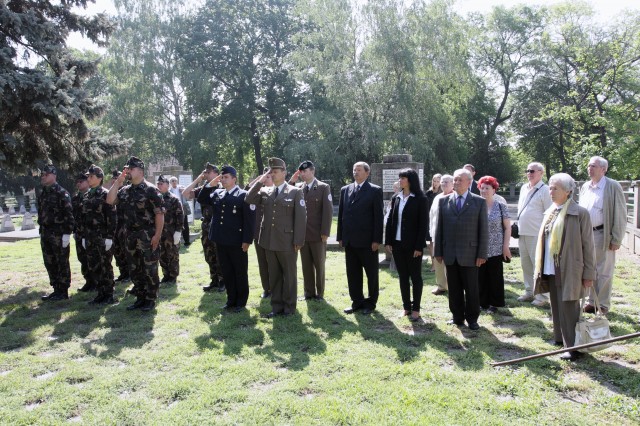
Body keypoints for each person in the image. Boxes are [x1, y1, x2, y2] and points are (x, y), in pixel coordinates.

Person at [534, 173, 595, 361]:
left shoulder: (580, 213)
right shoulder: (551, 211)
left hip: (570, 268)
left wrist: (589, 273)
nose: (551, 192)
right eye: (550, 188)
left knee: (569, 307)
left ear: (568, 191)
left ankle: (574, 347)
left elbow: (588, 246)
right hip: (551, 267)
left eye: (555, 188)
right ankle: (560, 338)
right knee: (556, 304)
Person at [246, 157, 307, 318]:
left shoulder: (295, 191)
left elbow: (301, 218)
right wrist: (260, 181)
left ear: (284, 173)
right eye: (270, 172)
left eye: (275, 171)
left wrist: (298, 240)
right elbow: (248, 198)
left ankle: (289, 307)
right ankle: (276, 306)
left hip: (287, 241)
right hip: (269, 241)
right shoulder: (265, 191)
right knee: (274, 276)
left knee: (289, 275)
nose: (272, 174)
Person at [106, 156, 165, 312]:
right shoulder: (125, 190)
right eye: (126, 169)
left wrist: (157, 236)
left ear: (140, 171)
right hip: (129, 237)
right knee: (134, 269)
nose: (127, 172)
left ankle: (150, 299)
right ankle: (140, 297)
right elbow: (110, 200)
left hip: (147, 236)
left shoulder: (151, 190)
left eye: (131, 169)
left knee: (150, 269)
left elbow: (159, 214)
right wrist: (118, 183)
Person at [435, 168, 488, 330]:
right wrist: (438, 251)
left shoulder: (479, 202)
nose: (456, 182)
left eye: (460, 180)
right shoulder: (444, 201)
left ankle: (472, 319)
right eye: (455, 180)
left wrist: (482, 254)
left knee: (471, 288)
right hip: (450, 253)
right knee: (454, 288)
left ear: (469, 182)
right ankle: (457, 317)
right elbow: (439, 228)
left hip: (470, 254)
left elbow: (483, 230)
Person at [579, 156, 626, 315]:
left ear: (603, 169)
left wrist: (616, 238)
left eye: (593, 166)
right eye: (589, 165)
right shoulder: (585, 186)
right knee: (588, 268)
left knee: (604, 271)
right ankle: (591, 302)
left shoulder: (612, 186)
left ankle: (603, 304)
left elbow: (620, 213)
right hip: (585, 234)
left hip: (602, 234)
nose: (589, 168)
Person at [206, 166, 255, 312]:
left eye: (226, 177)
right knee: (226, 271)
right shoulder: (218, 193)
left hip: (237, 241)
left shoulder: (244, 195)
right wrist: (210, 184)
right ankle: (231, 299)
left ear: (234, 179)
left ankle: (241, 301)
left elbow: (249, 221)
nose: (223, 179)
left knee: (239, 271)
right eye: (222, 177)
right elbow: (202, 199)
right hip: (221, 240)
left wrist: (247, 240)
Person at [337, 161, 384, 315]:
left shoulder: (374, 191)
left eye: (359, 170)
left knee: (371, 274)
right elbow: (342, 214)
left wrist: (376, 240)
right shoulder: (345, 190)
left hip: (367, 241)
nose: (355, 172)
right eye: (354, 170)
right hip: (350, 241)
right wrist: (340, 236)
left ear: (367, 173)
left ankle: (370, 303)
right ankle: (356, 301)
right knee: (353, 273)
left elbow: (378, 217)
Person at [384, 169, 428, 321]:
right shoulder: (396, 197)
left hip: (413, 246)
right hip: (397, 244)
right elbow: (390, 220)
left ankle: (416, 309)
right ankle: (406, 307)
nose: (400, 181)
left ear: (410, 180)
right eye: (400, 178)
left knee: (415, 277)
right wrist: (388, 241)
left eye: (403, 178)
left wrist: (419, 246)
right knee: (403, 276)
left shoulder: (421, 199)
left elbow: (423, 224)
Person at [289, 161, 333, 301]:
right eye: (301, 172)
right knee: (306, 265)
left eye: (305, 171)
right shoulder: (297, 188)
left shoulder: (323, 187)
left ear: (312, 171)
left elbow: (328, 211)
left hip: (318, 234)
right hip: (302, 235)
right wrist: (292, 181)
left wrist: (325, 232)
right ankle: (309, 293)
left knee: (319, 265)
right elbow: (285, 194)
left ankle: (320, 293)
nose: (302, 174)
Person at [182, 163, 225, 292]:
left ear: (216, 174)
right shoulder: (203, 189)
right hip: (206, 226)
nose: (206, 174)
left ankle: (223, 281)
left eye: (208, 172)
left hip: (219, 226)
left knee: (220, 254)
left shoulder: (223, 188)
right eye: (205, 172)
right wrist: (198, 179)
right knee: (209, 254)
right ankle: (214, 280)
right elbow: (185, 194)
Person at [516, 162, 552, 306]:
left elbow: (550, 213)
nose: (529, 173)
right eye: (527, 170)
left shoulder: (545, 190)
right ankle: (529, 291)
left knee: (538, 266)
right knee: (526, 265)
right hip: (522, 232)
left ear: (541, 173)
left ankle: (542, 297)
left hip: (537, 234)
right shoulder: (524, 187)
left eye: (532, 171)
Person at [37, 164, 74, 301]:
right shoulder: (43, 193)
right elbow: (41, 213)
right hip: (46, 233)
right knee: (49, 262)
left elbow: (69, 214)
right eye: (42, 175)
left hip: (59, 234)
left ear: (53, 175)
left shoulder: (61, 193)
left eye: (46, 175)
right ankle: (56, 289)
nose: (43, 177)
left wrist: (67, 233)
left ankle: (63, 291)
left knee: (61, 262)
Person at [82, 165, 117, 305]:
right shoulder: (87, 195)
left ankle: (108, 294)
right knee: (94, 266)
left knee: (105, 266)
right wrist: (84, 236)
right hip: (90, 237)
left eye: (91, 176)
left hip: (102, 236)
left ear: (100, 178)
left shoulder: (105, 194)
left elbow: (112, 217)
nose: (88, 179)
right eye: (88, 177)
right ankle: (100, 293)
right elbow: (84, 217)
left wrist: (110, 237)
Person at [477, 175, 511, 313]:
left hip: (496, 247)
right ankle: (482, 302)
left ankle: (494, 303)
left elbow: (507, 228)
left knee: (495, 276)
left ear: (494, 190)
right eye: (482, 188)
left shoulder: (501, 206)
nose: (484, 191)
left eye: (487, 188)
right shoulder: (476, 205)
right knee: (480, 276)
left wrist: (505, 246)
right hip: (479, 247)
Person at [246, 169, 273, 298]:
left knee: (273, 263)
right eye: (264, 176)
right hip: (259, 234)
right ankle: (266, 289)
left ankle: (276, 288)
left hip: (273, 234)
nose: (265, 179)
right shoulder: (259, 193)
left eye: (268, 176)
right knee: (262, 263)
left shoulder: (279, 191)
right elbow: (247, 193)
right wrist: (259, 180)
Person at [157, 175, 184, 285]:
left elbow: (180, 215)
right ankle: (166, 275)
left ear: (167, 185)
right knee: (162, 255)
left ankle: (173, 276)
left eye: (161, 184)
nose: (159, 185)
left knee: (172, 255)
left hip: (171, 232)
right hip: (159, 232)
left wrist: (178, 231)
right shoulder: (156, 198)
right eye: (158, 184)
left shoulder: (173, 199)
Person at [429, 174, 453, 295]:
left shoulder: (455, 197)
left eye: (446, 182)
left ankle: (453, 285)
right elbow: (432, 215)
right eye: (442, 182)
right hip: (436, 234)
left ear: (453, 184)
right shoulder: (437, 197)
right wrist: (431, 231)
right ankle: (441, 285)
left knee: (450, 262)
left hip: (450, 236)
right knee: (438, 261)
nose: (443, 184)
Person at [108, 169, 131, 283]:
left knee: (126, 250)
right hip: (115, 226)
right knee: (117, 251)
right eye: (113, 178)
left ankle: (129, 274)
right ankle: (123, 272)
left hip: (124, 226)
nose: (114, 180)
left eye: (117, 178)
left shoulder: (126, 191)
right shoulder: (113, 191)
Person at [72, 173, 93, 292]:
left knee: (92, 259)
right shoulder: (75, 198)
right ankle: (89, 281)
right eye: (77, 182)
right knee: (82, 258)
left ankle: (96, 282)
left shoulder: (91, 196)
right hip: (79, 233)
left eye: (81, 181)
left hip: (90, 233)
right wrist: (74, 231)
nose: (78, 184)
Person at [425, 174, 442, 272]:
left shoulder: (443, 193)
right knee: (431, 243)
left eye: (437, 181)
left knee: (438, 242)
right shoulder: (428, 193)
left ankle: (440, 264)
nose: (435, 183)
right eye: (434, 181)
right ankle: (433, 264)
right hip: (429, 220)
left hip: (439, 220)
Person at [169, 176, 191, 247]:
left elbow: (188, 195)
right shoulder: (169, 190)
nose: (174, 182)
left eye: (175, 180)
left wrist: (183, 191)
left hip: (182, 209)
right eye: (172, 181)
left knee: (185, 225)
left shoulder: (181, 188)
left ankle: (187, 242)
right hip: (173, 210)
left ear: (177, 181)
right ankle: (175, 242)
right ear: (170, 182)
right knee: (174, 225)